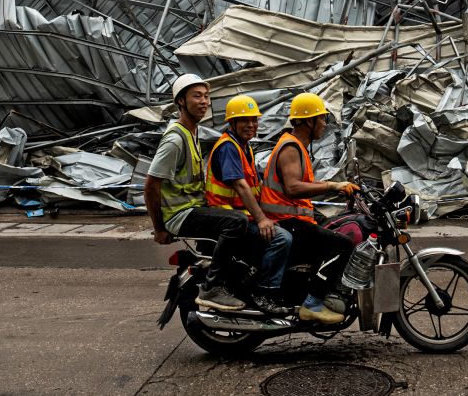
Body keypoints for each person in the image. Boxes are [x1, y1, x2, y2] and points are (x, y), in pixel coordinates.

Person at [143, 73, 253, 312]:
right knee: (237, 223)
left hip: (193, 208)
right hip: (180, 215)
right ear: (181, 101)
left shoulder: (192, 132)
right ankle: (213, 287)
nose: (204, 102)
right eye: (197, 96)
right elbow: (151, 185)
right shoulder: (175, 140)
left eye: (206, 96)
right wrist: (160, 228)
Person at [259, 92, 358, 324]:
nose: (324, 124)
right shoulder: (291, 148)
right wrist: (334, 185)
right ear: (306, 121)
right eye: (321, 119)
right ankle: (313, 302)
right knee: (343, 245)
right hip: (285, 221)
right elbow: (293, 188)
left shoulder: (298, 147)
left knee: (336, 229)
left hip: (293, 218)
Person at [204, 94, 293, 316]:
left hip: (242, 216)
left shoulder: (245, 148)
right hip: (230, 218)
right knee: (282, 239)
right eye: (244, 120)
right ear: (232, 123)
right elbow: (241, 186)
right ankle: (264, 292)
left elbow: (257, 187)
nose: (251, 125)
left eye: (254, 120)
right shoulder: (228, 148)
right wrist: (263, 219)